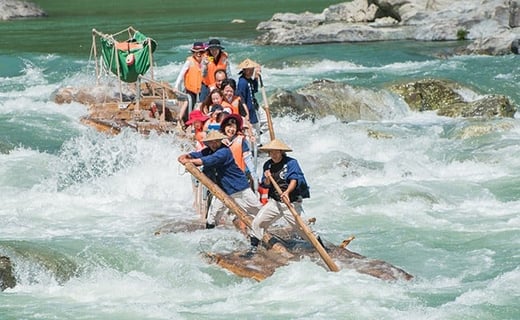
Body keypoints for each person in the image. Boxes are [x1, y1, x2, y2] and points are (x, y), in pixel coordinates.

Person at [178, 130, 263, 229]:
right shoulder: (208, 151)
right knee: (213, 217)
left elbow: (208, 160)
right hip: (222, 190)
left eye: (216, 141)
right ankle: (210, 235)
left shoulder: (224, 151)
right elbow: (197, 154)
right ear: (208, 143)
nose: (214, 144)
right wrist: (186, 156)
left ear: (220, 141)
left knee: (257, 210)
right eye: (211, 142)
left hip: (239, 187)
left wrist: (189, 161)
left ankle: (265, 230)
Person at [246, 139, 316, 256]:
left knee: (303, 228)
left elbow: (294, 179)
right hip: (275, 202)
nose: (274, 154)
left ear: (281, 152)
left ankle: (321, 247)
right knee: (258, 222)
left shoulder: (291, 163)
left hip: (291, 201)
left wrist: (287, 192)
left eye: (276, 152)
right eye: (271, 152)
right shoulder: (267, 165)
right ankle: (252, 249)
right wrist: (267, 177)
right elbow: (266, 184)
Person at [219, 114, 258, 191]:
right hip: (223, 176)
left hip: (238, 175)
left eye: (234, 127)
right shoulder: (218, 140)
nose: (231, 129)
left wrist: (253, 173)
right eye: (229, 126)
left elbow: (247, 158)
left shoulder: (241, 140)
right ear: (224, 127)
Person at [174, 42, 206, 128]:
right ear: (193, 52)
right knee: (189, 103)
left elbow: (213, 60)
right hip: (190, 88)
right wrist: (176, 86)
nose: (199, 54)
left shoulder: (205, 60)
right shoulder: (189, 61)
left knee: (199, 106)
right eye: (196, 52)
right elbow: (181, 74)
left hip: (200, 89)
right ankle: (181, 121)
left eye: (201, 52)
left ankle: (197, 123)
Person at [236, 58, 261, 143]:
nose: (250, 71)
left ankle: (258, 140)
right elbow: (241, 98)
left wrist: (256, 78)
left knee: (261, 125)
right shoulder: (242, 82)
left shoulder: (249, 79)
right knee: (253, 129)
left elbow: (255, 90)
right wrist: (245, 112)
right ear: (244, 70)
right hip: (249, 109)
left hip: (254, 107)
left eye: (252, 69)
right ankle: (256, 147)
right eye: (248, 70)